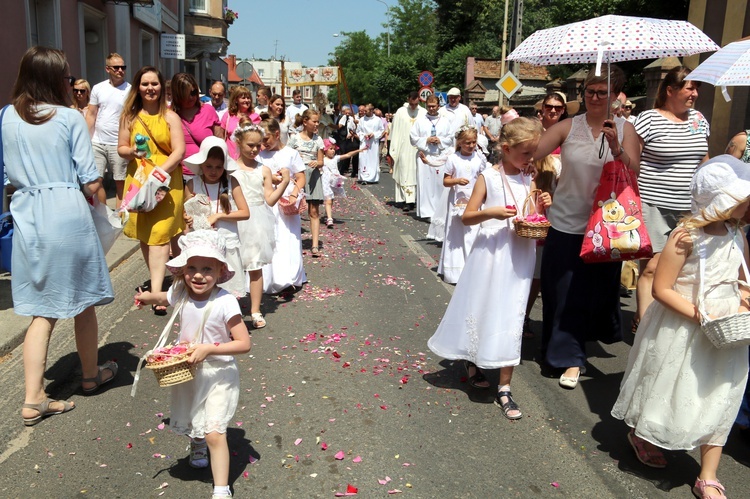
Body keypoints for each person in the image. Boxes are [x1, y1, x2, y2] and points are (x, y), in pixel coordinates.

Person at [612, 156, 750, 498]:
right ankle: (643, 434)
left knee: (720, 395)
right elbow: (662, 288)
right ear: (721, 200)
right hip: (685, 326)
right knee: (673, 385)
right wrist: (700, 315)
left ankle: (708, 473)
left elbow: (742, 278)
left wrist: (745, 299)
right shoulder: (685, 237)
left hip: (726, 330)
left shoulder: (737, 234)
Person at [3, 47, 117, 426]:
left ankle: (36, 394)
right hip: (65, 210)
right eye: (67, 77)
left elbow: (8, 176)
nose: (71, 82)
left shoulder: (6, 117)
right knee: (82, 299)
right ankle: (88, 375)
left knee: (43, 308)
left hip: (28, 212)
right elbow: (90, 178)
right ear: (55, 79)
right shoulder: (68, 118)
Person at [427, 117, 552, 420]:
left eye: (532, 154)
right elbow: (468, 216)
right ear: (506, 149)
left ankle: (505, 386)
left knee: (514, 312)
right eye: (525, 153)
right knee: (482, 305)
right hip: (491, 252)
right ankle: (473, 360)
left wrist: (543, 203)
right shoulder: (488, 177)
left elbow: (531, 214)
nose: (529, 159)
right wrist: (491, 212)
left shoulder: (529, 177)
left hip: (519, 253)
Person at [533, 65, 640, 389]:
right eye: (589, 92)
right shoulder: (568, 126)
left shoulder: (626, 129)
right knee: (559, 291)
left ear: (614, 94)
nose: (594, 97)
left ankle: (572, 357)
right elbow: (533, 152)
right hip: (565, 221)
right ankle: (561, 353)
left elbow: (635, 171)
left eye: (601, 92)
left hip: (606, 227)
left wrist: (616, 145)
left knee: (590, 294)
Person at [135, 230, 251, 499]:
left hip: (218, 373)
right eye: (192, 268)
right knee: (194, 415)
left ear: (220, 270)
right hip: (187, 370)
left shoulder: (226, 302)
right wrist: (146, 298)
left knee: (214, 431)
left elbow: (244, 343)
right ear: (183, 269)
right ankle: (197, 443)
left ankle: (221, 487)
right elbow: (165, 297)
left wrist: (210, 348)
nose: (199, 275)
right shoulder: (181, 292)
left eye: (207, 268)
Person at [633, 66, 709, 333]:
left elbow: (703, 160)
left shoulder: (698, 119)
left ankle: (664, 323)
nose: (695, 93)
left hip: (689, 207)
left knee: (679, 269)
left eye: (696, 88)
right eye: (690, 87)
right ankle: (644, 327)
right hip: (652, 203)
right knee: (653, 267)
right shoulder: (648, 119)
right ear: (670, 90)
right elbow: (633, 162)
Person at [117, 66, 186, 316]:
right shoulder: (130, 117)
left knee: (160, 235)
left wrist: (160, 172)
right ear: (138, 87)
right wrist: (132, 152)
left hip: (165, 181)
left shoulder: (170, 117)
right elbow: (121, 147)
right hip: (138, 179)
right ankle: (161, 281)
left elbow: (179, 151)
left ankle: (157, 292)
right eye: (145, 84)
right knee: (146, 235)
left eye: (154, 84)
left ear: (161, 87)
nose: (150, 88)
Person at [232, 120, 290, 328]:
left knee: (255, 266)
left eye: (258, 145)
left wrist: (283, 183)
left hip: (256, 222)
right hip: (235, 220)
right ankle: (231, 309)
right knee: (232, 266)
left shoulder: (263, 169)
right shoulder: (230, 168)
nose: (255, 149)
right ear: (238, 142)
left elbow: (269, 199)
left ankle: (255, 310)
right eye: (250, 145)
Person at [182, 136, 249, 300]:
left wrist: (218, 215)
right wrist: (187, 221)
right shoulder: (192, 184)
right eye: (209, 166)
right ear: (201, 165)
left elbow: (245, 212)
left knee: (228, 293)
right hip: (201, 244)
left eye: (218, 167)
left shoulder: (232, 182)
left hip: (227, 241)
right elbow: (186, 213)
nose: (213, 171)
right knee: (204, 289)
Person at [522, 93, 566, 337]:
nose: (552, 110)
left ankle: (529, 317)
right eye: (548, 106)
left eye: (557, 108)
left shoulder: (569, 137)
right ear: (542, 110)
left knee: (543, 274)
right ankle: (518, 315)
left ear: (562, 112)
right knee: (527, 270)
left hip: (558, 208)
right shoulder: (535, 136)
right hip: (533, 205)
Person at [258, 118, 308, 295]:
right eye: (261, 140)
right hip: (268, 202)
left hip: (287, 203)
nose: (264, 143)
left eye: (266, 139)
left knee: (288, 238)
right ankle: (271, 278)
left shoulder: (290, 153)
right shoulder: (260, 155)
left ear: (277, 135)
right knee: (272, 239)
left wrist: (294, 193)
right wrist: (271, 178)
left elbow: (301, 177)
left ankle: (290, 277)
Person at [437, 126, 487, 284]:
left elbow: (484, 178)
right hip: (457, 200)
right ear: (459, 143)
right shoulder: (453, 159)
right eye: (467, 143)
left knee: (473, 232)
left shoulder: (479, 159)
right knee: (458, 233)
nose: (471, 146)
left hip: (474, 198)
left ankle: (471, 269)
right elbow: (446, 181)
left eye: (473, 142)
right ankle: (454, 270)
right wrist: (456, 180)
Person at [87, 52, 131, 207]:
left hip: (118, 143)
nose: (120, 70)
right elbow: (91, 114)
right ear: (108, 69)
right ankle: (103, 214)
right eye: (116, 67)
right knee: (96, 180)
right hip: (97, 142)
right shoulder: (98, 88)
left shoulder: (130, 91)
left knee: (120, 181)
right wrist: (86, 139)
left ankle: (121, 216)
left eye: (123, 67)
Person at [171, 73, 222, 183]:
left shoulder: (208, 110)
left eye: (193, 92)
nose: (191, 97)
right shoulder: (169, 114)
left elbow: (220, 143)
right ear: (177, 95)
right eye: (186, 94)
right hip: (177, 174)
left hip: (205, 175)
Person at [410, 95, 453, 223]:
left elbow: (451, 138)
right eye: (429, 106)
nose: (432, 108)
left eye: (434, 106)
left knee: (440, 184)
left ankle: (440, 211)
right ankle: (427, 211)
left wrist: (440, 140)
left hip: (440, 156)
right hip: (425, 156)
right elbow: (413, 138)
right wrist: (426, 140)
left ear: (438, 106)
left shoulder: (445, 121)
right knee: (426, 185)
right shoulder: (420, 121)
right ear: (426, 106)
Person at [288, 109, 325, 256]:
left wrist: (318, 162)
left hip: (313, 176)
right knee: (294, 210)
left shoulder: (318, 140)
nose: (317, 124)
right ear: (305, 122)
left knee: (314, 211)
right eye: (314, 121)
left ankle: (315, 246)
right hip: (298, 176)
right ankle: (293, 243)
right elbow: (289, 158)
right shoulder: (295, 139)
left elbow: (321, 160)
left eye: (318, 121)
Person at [389, 92, 426, 211]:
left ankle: (412, 200)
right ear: (408, 100)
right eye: (411, 104)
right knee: (403, 172)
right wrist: (394, 148)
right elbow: (395, 131)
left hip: (417, 148)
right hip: (403, 148)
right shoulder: (401, 112)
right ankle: (402, 199)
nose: (413, 106)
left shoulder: (423, 113)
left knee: (415, 173)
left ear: (419, 101)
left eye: (416, 104)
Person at [321, 137, 365, 228]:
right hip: (325, 182)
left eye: (334, 149)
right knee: (328, 200)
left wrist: (359, 150)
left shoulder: (335, 158)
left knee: (331, 200)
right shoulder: (322, 160)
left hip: (334, 182)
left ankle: (326, 214)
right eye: (330, 149)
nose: (333, 151)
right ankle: (329, 219)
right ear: (325, 150)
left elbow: (348, 155)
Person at [220, 86, 260, 160]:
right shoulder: (228, 115)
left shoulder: (255, 117)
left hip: (248, 158)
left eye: (248, 98)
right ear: (236, 100)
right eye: (243, 98)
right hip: (229, 157)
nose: (247, 100)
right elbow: (221, 136)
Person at [355, 103, 385, 185]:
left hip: (373, 143)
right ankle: (363, 177)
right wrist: (363, 135)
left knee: (372, 159)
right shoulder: (362, 120)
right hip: (364, 142)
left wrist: (374, 134)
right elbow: (358, 131)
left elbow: (382, 130)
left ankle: (372, 177)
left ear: (371, 110)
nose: (364, 112)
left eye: (366, 110)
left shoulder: (377, 120)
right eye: (364, 110)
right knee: (363, 158)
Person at [336, 105, 359, 176]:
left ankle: (354, 171)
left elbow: (355, 127)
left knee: (354, 154)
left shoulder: (353, 118)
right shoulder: (342, 117)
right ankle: (341, 170)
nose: (347, 114)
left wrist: (352, 133)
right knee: (343, 154)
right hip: (344, 139)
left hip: (353, 138)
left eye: (349, 113)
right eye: (346, 113)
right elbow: (339, 126)